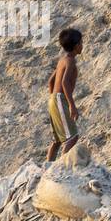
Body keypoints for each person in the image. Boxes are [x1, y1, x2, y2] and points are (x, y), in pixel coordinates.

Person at [45, 28, 83, 161]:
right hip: (59, 99)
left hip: (54, 99)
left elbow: (51, 81)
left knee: (57, 139)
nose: (82, 45)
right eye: (81, 43)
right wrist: (71, 105)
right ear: (76, 45)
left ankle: (48, 165)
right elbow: (65, 82)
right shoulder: (71, 61)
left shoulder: (62, 60)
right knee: (72, 137)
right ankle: (61, 166)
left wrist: (53, 97)